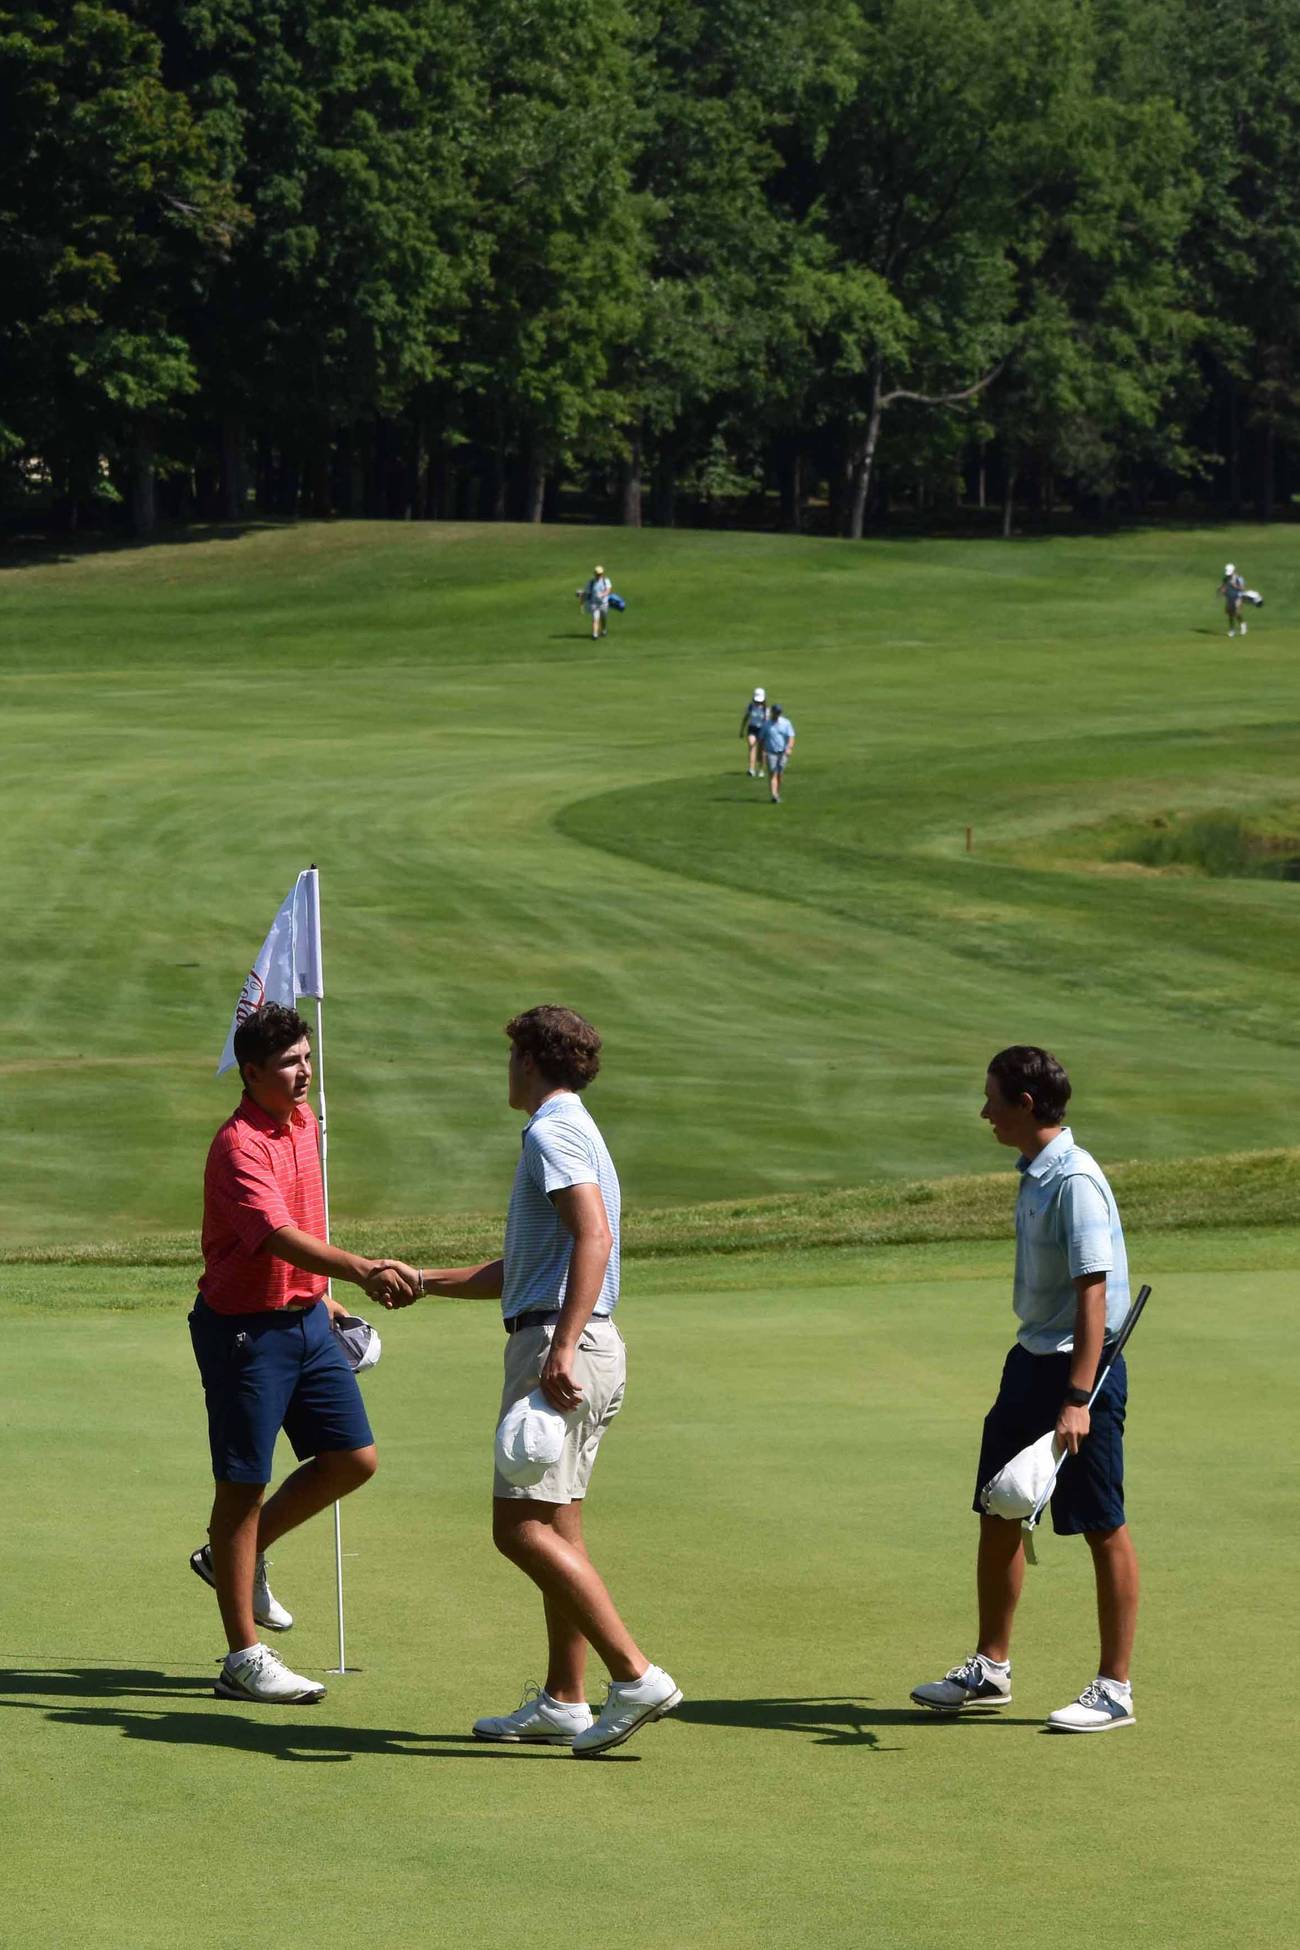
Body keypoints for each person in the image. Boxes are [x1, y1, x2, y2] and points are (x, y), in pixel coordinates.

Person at [398, 1005, 681, 1756]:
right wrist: (426, 1280)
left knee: (518, 1528)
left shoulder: (551, 1131)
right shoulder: (575, 1127)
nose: (506, 1068)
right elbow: (524, 1269)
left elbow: (594, 1234)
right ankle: (564, 1699)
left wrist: (558, 1345)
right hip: (580, 1335)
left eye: (511, 1055)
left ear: (530, 1059)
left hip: (563, 1344)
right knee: (557, 1526)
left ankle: (634, 1674)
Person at [189, 1003, 418, 1704]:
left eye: (308, 1059)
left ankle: (239, 1555)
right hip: (244, 1334)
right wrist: (361, 1268)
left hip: (304, 1319)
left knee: (353, 1458)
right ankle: (243, 1659)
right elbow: (277, 1235)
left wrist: (324, 1294)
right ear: (252, 1072)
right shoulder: (238, 1146)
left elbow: (305, 1228)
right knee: (242, 1487)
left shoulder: (304, 1123)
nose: (305, 1072)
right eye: (290, 1063)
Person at [911, 1046, 1140, 1734]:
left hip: (1079, 1371)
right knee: (998, 1507)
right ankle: (991, 1668)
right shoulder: (1035, 1173)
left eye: (992, 1100)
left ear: (1026, 1104)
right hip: (1032, 1360)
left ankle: (1115, 1689)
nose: (985, 1113)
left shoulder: (1074, 1180)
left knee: (1102, 1525)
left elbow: (1092, 1292)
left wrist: (1078, 1398)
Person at [760, 701, 796, 803]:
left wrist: (789, 748)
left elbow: (791, 736)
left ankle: (777, 793)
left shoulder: (786, 723)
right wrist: (762, 752)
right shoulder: (766, 725)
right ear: (772, 712)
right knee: (773, 773)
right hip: (771, 752)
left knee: (779, 774)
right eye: (776, 712)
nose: (777, 714)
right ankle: (774, 795)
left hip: (783, 752)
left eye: (779, 712)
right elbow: (761, 739)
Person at [739, 686, 768, 776]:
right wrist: (742, 730)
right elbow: (746, 718)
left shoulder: (766, 709)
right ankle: (751, 769)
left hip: (762, 730)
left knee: (761, 750)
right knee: (752, 746)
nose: (758, 703)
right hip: (752, 728)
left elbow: (766, 722)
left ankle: (761, 770)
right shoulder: (751, 706)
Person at [579, 565, 612, 640]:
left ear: (602, 573)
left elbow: (608, 590)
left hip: (604, 604)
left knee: (603, 618)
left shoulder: (606, 581)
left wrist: (603, 594)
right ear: (595, 573)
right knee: (595, 618)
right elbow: (587, 593)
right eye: (597, 574)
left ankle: (603, 630)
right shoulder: (591, 582)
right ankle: (595, 634)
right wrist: (582, 594)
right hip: (594, 604)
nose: (599, 575)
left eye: (600, 574)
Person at [1218, 562, 1247, 637]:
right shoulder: (1225, 578)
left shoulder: (1239, 578)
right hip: (1229, 597)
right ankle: (1232, 629)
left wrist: (1235, 585)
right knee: (1230, 614)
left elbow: (1243, 588)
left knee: (1237, 612)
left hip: (1238, 597)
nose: (1229, 574)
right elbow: (1224, 587)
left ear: (1234, 571)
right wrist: (1222, 590)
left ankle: (1242, 625)